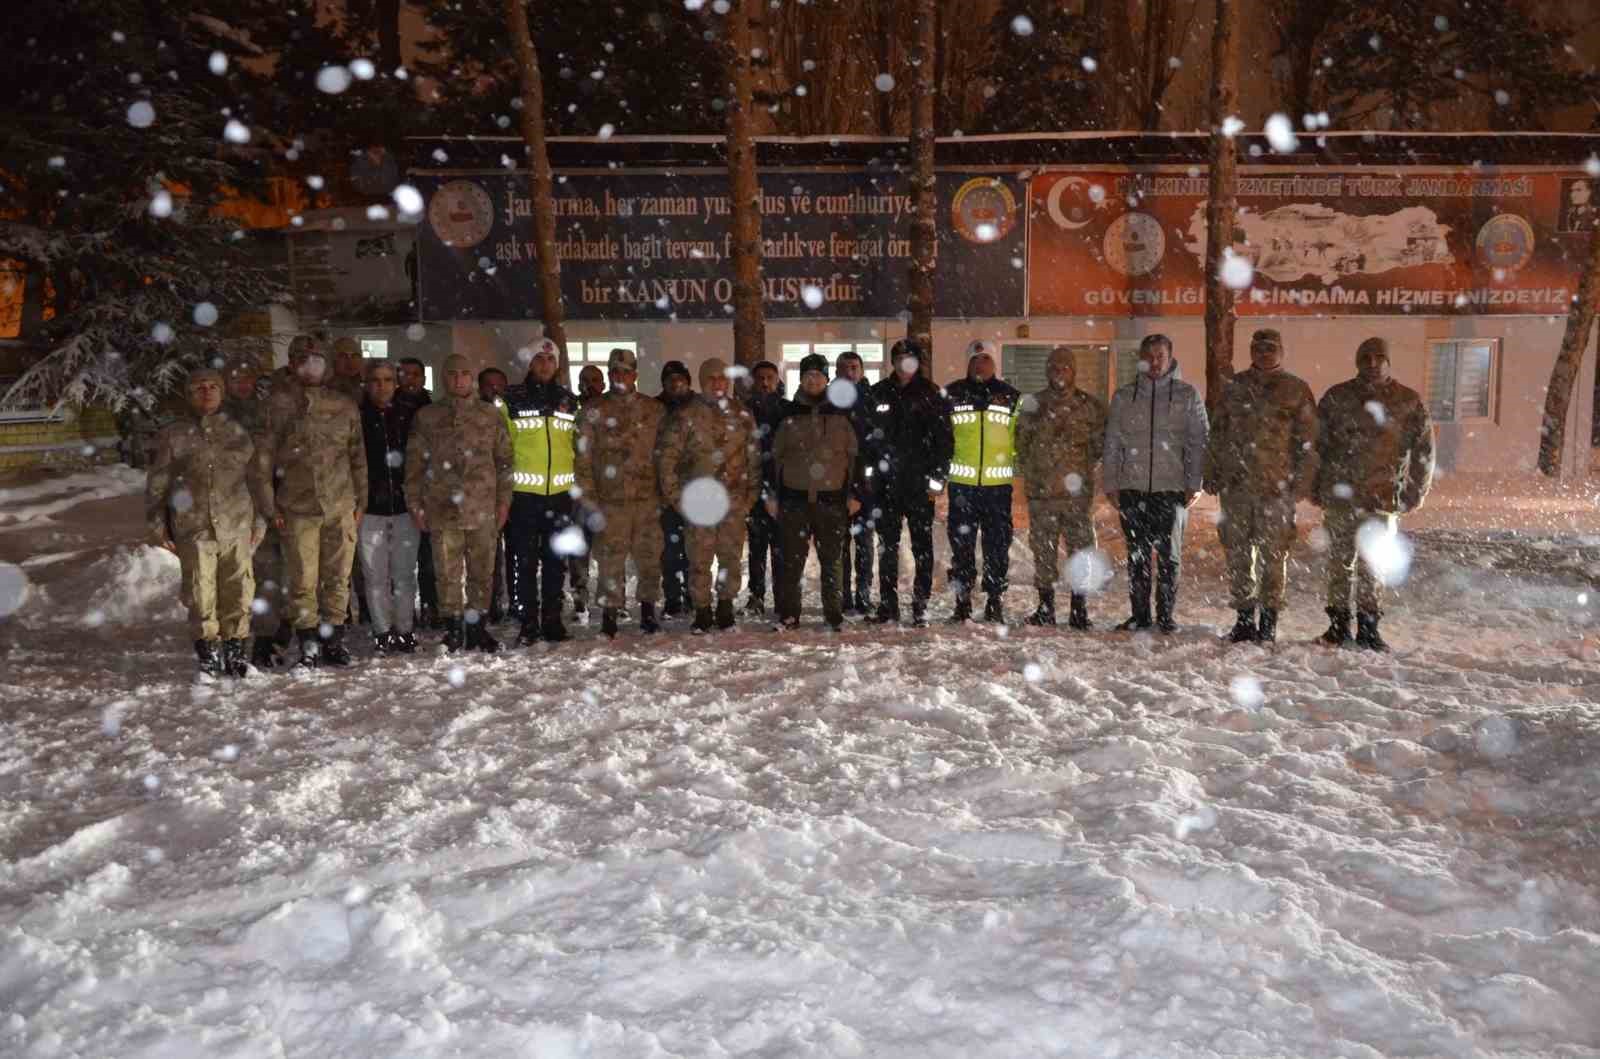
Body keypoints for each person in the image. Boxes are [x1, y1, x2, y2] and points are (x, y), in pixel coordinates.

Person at [1312, 337, 1435, 651]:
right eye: (1365, 356)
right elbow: (1316, 446)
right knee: (1340, 563)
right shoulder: (1337, 398)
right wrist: (1314, 485)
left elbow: (1424, 451)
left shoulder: (1406, 401)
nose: (1372, 362)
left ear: (1388, 361)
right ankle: (1338, 626)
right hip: (1341, 497)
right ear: (1357, 360)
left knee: (1374, 566)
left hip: (1382, 498)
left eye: (1379, 357)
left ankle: (1369, 628)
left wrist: (1415, 491)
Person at [146, 366, 266, 678]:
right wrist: (158, 523)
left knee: (239, 589)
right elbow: (158, 483)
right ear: (189, 395)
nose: (206, 391)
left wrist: (262, 519)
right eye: (199, 387)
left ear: (221, 392)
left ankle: (236, 652)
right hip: (194, 525)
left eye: (213, 386)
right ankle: (208, 656)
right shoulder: (174, 435)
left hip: (236, 523)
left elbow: (256, 478)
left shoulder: (237, 432)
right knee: (201, 593)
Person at [253, 344, 367, 666]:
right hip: (297, 507)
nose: (312, 367)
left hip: (340, 504)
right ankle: (309, 645)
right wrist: (269, 507)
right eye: (304, 361)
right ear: (292, 365)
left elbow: (358, 457)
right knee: (303, 581)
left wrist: (362, 499)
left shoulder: (343, 405)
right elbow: (261, 463)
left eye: (318, 360)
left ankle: (334, 642)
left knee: (337, 578)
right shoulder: (276, 406)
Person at [1205, 328, 1319, 644]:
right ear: (1252, 350)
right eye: (1259, 347)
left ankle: (1268, 621)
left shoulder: (1296, 390)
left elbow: (1308, 442)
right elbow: (1217, 432)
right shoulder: (1235, 387)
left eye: (1271, 348)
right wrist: (1211, 471)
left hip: (1275, 489)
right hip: (1237, 488)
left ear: (1281, 351)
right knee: (1238, 554)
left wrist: (1300, 484)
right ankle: (1244, 619)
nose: (1265, 353)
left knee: (1274, 555)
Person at [405, 354, 514, 653]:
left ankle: (477, 626)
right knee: (447, 572)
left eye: (465, 374)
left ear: (472, 377)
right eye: (452, 374)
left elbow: (505, 462)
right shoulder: (427, 417)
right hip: (442, 507)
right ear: (444, 378)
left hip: (482, 507)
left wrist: (504, 501)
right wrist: (414, 503)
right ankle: (453, 627)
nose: (459, 379)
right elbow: (414, 465)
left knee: (482, 571)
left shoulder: (490, 415)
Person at [1103, 334, 1208, 633]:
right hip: (1133, 488)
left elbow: (1198, 442)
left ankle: (1165, 617)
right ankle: (1139, 615)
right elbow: (1113, 443)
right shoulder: (1124, 397)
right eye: (1148, 355)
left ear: (1170, 357)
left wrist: (1194, 483)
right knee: (1137, 557)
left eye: (1160, 355)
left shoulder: (1187, 395)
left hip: (1172, 490)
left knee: (1169, 558)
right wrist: (1112, 482)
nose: (1154, 361)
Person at [656, 357, 760, 633]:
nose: (718, 383)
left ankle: (726, 606)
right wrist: (677, 499)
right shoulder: (686, 416)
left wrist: (750, 497)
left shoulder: (742, 414)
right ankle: (702, 610)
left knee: (730, 558)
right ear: (702, 381)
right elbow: (667, 460)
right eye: (712, 378)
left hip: (733, 502)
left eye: (722, 378)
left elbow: (754, 458)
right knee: (699, 560)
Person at [575, 347, 667, 639]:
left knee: (649, 558)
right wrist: (589, 498)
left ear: (635, 375)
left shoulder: (654, 410)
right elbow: (582, 459)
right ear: (609, 374)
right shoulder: (594, 411)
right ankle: (609, 616)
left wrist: (665, 495)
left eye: (626, 371)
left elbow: (666, 455)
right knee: (610, 561)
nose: (620, 376)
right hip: (610, 501)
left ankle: (649, 612)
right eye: (615, 371)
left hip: (647, 500)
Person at [1015, 345, 1107, 629]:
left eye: (1064, 367)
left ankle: (1079, 611)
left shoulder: (1090, 406)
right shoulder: (1032, 404)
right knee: (1044, 553)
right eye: (1054, 366)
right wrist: (1037, 474)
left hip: (1076, 499)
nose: (1059, 372)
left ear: (1074, 371)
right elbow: (1021, 445)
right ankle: (1046, 608)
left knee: (1079, 553)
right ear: (1047, 370)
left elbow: (1099, 447)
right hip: (1042, 496)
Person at [865, 338, 952, 627]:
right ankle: (888, 606)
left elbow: (944, 441)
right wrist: (871, 478)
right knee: (886, 548)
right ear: (893, 361)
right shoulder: (877, 393)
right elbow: (868, 442)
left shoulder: (931, 394)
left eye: (910, 358)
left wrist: (937, 480)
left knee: (922, 548)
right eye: (900, 357)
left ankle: (921, 605)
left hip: (919, 487)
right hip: (886, 487)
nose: (905, 363)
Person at [770, 354, 861, 631]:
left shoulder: (841, 414)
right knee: (792, 563)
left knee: (833, 563)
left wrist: (855, 493)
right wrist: (771, 495)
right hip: (794, 501)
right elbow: (773, 457)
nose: (813, 380)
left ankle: (833, 615)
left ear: (827, 379)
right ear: (801, 379)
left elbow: (856, 457)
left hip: (831, 502)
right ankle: (789, 615)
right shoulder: (786, 414)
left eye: (818, 376)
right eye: (808, 375)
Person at [500, 338, 580, 645]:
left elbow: (576, 447)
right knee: (524, 561)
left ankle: (552, 620)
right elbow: (501, 448)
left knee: (555, 562)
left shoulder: (569, 401)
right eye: (539, 359)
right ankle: (528, 622)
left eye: (550, 360)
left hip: (560, 496)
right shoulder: (512, 399)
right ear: (530, 363)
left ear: (557, 364)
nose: (545, 365)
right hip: (523, 497)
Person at [942, 339, 1021, 623]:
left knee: (997, 546)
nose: (980, 364)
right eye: (975, 360)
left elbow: (1019, 437)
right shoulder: (952, 394)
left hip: (997, 489)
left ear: (994, 363)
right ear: (968, 363)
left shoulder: (1011, 397)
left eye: (986, 359)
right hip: (962, 487)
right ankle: (961, 601)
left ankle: (994, 600)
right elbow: (942, 437)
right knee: (961, 546)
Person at [224, 359, 293, 668]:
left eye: (246, 378)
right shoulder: (216, 417)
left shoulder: (265, 414)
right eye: (235, 379)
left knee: (270, 575)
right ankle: (229, 638)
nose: (242, 385)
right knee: (231, 578)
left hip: (266, 504)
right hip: (226, 509)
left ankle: (268, 638)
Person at [357, 359, 421, 655]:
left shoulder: (410, 416)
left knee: (405, 574)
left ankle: (405, 629)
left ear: (395, 384)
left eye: (386, 380)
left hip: (406, 507)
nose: (381, 386)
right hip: (369, 509)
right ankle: (382, 631)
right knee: (375, 576)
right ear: (367, 384)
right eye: (375, 380)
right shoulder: (356, 417)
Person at [742, 359, 788, 616]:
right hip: (754, 487)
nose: (765, 382)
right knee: (757, 547)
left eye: (770, 377)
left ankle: (782, 596)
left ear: (777, 380)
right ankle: (756, 595)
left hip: (782, 487)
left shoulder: (787, 409)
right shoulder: (745, 411)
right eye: (760, 377)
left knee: (781, 547)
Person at [395, 356, 438, 626]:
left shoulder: (432, 409)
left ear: (423, 379)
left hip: (430, 492)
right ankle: (403, 611)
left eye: (416, 374)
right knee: (401, 559)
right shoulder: (388, 407)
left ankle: (430, 606)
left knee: (429, 557)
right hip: (395, 491)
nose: (410, 379)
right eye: (405, 374)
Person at [834, 350, 875, 616]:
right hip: (834, 482)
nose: (851, 371)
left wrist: (864, 485)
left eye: (855, 367)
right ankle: (842, 595)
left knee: (864, 544)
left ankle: (863, 594)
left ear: (861, 370)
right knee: (838, 545)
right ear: (837, 372)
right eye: (846, 367)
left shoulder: (871, 399)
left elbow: (874, 443)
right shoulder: (829, 399)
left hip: (865, 484)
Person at [567, 363, 607, 623]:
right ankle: (580, 602)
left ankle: (612, 601)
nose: (590, 384)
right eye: (585, 380)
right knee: (578, 552)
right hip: (577, 493)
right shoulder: (568, 411)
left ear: (602, 385)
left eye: (595, 380)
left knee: (610, 549)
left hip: (607, 491)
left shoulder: (612, 410)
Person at [657, 360, 695, 617]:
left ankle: (694, 596)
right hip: (664, 490)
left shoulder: (700, 407)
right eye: (670, 380)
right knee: (669, 551)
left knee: (696, 549)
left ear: (688, 381)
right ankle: (672, 598)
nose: (675, 383)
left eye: (679, 378)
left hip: (696, 487)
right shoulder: (655, 408)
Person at [479, 366, 514, 624]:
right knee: (486, 556)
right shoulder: (476, 416)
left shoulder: (513, 411)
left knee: (512, 554)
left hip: (515, 492)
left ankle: (512, 601)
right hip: (480, 498)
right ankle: (487, 605)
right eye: (489, 384)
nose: (494, 389)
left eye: (499, 384)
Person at [328, 337, 366, 404]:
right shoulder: (329, 389)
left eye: (355, 356)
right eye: (343, 356)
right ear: (334, 361)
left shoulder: (364, 387)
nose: (350, 361)